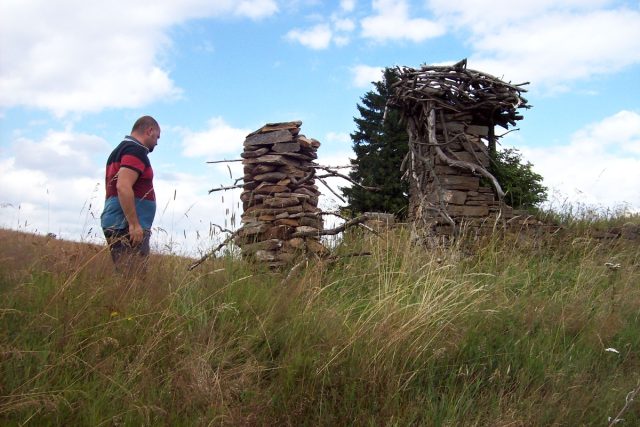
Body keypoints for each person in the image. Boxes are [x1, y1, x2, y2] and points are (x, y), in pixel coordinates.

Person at [101, 116, 160, 273]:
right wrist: (134, 224)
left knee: (126, 277)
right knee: (133, 281)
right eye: (157, 137)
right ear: (150, 131)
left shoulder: (122, 150)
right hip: (126, 227)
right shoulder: (135, 151)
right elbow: (123, 186)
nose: (157, 143)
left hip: (120, 222)